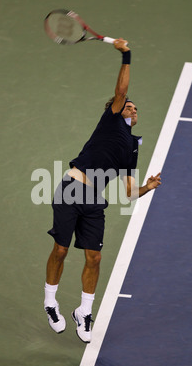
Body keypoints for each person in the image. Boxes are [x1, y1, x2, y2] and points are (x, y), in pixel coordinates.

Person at [44, 38, 161, 343]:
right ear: (116, 107)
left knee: (94, 258)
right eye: (128, 105)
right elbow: (121, 91)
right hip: (72, 188)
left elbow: (128, 193)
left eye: (136, 108)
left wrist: (147, 187)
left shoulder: (131, 148)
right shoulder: (111, 120)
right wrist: (127, 55)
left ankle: (84, 312)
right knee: (61, 249)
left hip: (95, 200)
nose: (132, 109)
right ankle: (50, 301)